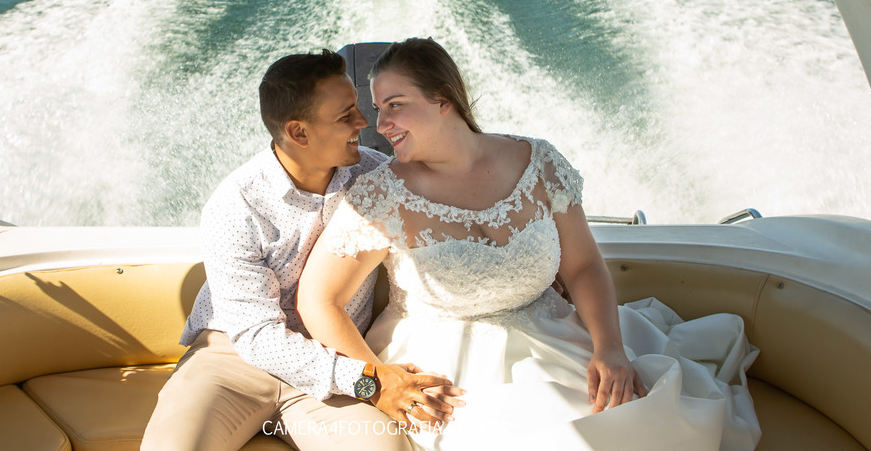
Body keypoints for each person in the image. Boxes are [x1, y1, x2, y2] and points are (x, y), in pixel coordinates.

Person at [296, 38, 761, 450]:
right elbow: (318, 300)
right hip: (447, 365)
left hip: (557, 332)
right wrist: (379, 380)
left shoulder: (539, 163)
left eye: (394, 105)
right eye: (378, 109)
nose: (382, 123)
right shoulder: (381, 195)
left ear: (443, 99)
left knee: (634, 419)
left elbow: (582, 267)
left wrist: (610, 349)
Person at [142, 49, 464, 451]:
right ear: (298, 133)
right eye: (346, 115)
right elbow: (258, 337)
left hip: (336, 360)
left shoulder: (376, 175)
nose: (364, 122)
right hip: (234, 361)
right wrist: (371, 381)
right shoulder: (235, 205)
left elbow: (451, 211)